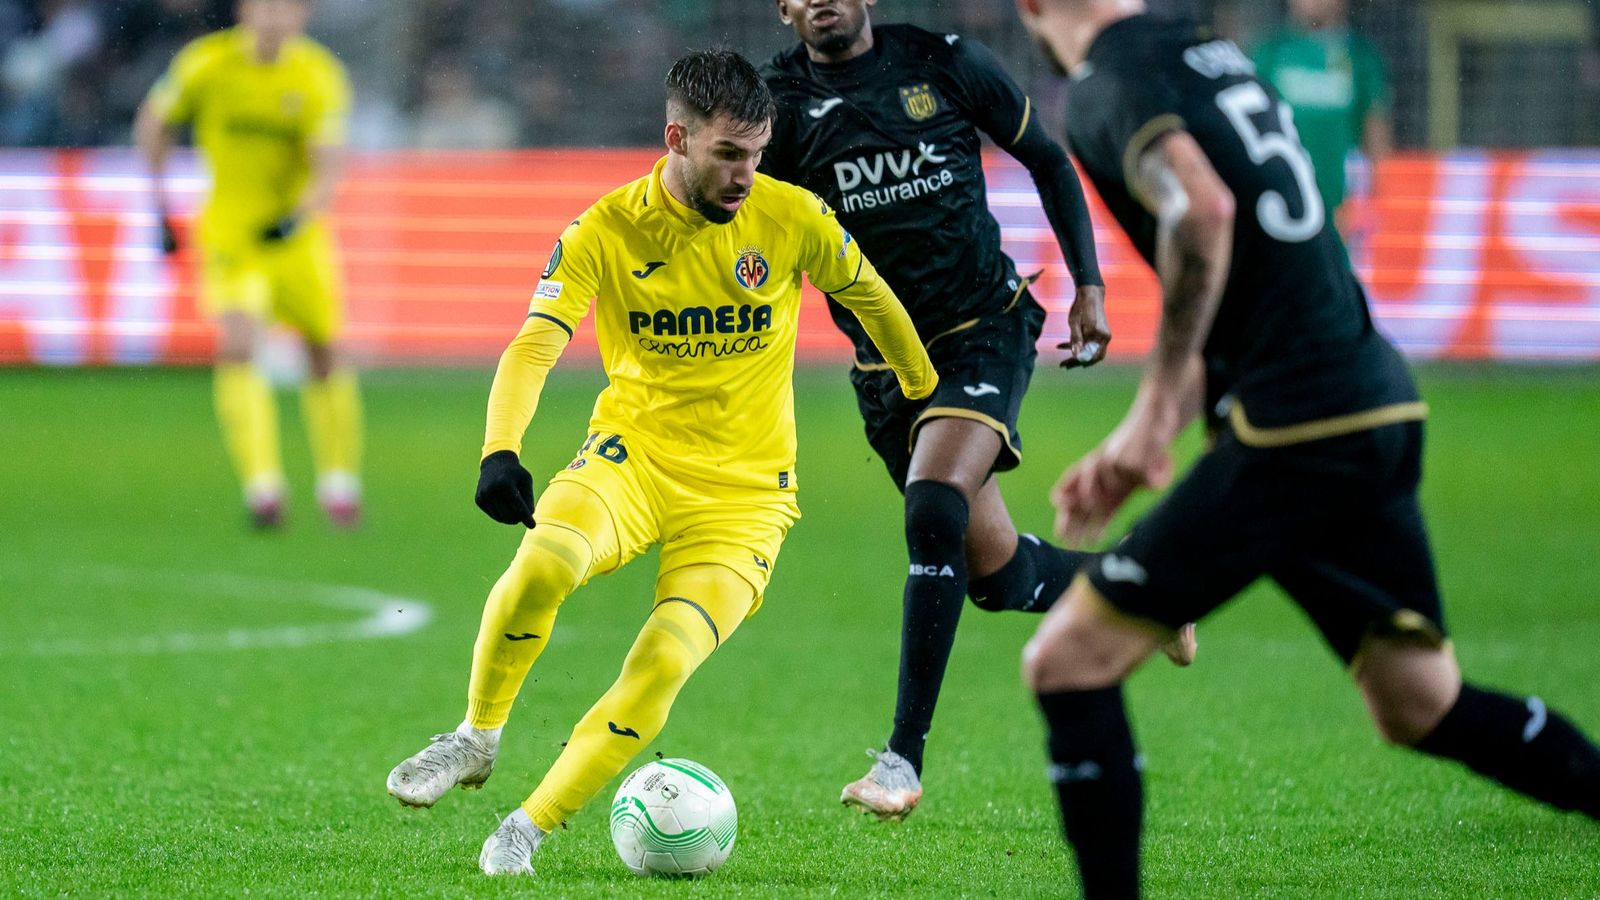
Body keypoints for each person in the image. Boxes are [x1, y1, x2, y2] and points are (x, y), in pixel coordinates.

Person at [1013, 2, 1600, 896]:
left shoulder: (1107, 82)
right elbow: (1262, 275)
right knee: (1420, 701)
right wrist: (1164, 425)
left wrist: (1151, 412)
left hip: (1295, 428)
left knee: (1066, 663)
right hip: (1374, 400)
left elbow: (1203, 214)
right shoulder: (1212, 52)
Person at [384, 49, 936, 877]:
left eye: (757, 152)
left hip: (747, 499)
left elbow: (869, 294)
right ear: (675, 136)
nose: (748, 172)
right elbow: (536, 342)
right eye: (727, 154)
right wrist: (501, 449)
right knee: (543, 564)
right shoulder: (606, 229)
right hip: (631, 462)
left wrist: (920, 389)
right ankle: (476, 736)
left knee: (664, 658)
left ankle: (525, 829)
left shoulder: (791, 217)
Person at [760, 0, 1194, 821]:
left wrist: (1089, 286)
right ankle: (1149, 590)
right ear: (783, 8)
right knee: (997, 578)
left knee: (933, 506)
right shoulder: (774, 109)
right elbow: (746, 225)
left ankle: (901, 760)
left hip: (981, 330)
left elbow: (1050, 160)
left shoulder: (945, 63)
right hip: (883, 368)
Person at [134, 0, 362, 529]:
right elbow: (154, 123)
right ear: (244, 10)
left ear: (303, 15)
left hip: (295, 236)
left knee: (323, 351)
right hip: (231, 234)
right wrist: (158, 201)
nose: (273, 18)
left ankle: (338, 481)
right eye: (264, 6)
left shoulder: (317, 74)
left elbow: (328, 167)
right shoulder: (205, 63)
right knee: (238, 346)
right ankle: (263, 488)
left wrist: (298, 216)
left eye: (286, 8)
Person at [1251, 0, 1392, 238]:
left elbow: (1378, 145)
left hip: (1342, 218)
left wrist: (1367, 206)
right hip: (1279, 216)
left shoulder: (1361, 57)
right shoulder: (1267, 53)